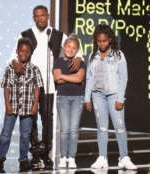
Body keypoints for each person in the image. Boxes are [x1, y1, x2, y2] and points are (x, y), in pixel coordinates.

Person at [9, 5, 83, 169]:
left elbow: (74, 48)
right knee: (31, 119)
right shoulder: (25, 34)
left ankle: (46, 153)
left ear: (48, 16)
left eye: (42, 15)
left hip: (50, 84)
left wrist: (78, 57)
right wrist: (15, 63)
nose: (40, 18)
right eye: (36, 16)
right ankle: (35, 152)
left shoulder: (57, 34)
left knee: (47, 119)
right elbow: (13, 56)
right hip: (30, 85)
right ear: (33, 18)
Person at [84, 24, 137, 170]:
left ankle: (124, 157)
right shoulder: (92, 56)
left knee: (120, 127)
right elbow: (89, 77)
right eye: (99, 41)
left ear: (110, 40)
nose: (102, 44)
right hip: (97, 95)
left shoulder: (119, 55)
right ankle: (102, 157)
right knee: (102, 128)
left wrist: (120, 98)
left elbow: (123, 78)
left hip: (114, 95)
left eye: (104, 41)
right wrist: (87, 98)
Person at [0, 38, 43, 172]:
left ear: (30, 53)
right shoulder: (9, 69)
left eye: (27, 51)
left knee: (25, 135)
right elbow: (6, 87)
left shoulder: (34, 70)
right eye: (21, 51)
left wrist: (35, 104)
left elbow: (37, 88)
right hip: (12, 106)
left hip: (27, 107)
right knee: (5, 134)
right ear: (17, 52)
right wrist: (7, 105)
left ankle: (23, 160)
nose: (24, 53)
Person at [53, 34, 86, 169]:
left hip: (78, 98)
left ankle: (72, 157)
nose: (70, 50)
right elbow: (57, 79)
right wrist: (71, 76)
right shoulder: (58, 61)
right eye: (68, 46)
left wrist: (63, 76)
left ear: (77, 50)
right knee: (65, 130)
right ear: (64, 47)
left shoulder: (81, 63)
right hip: (63, 98)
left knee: (73, 130)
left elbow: (79, 79)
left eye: (74, 48)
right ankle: (63, 157)